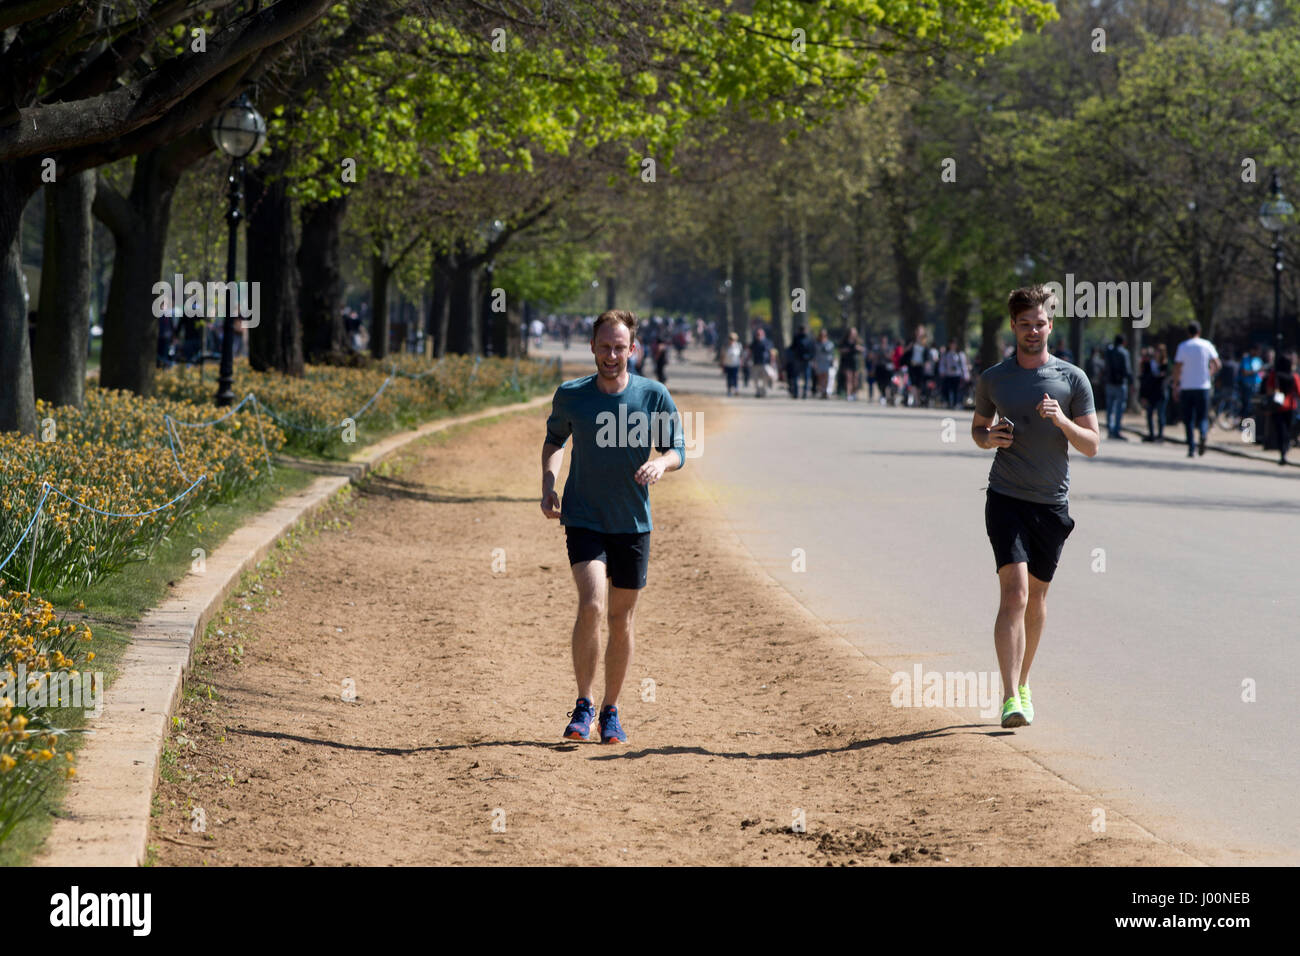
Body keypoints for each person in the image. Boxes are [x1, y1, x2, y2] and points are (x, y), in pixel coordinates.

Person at [541, 310, 686, 744]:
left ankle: (611, 710)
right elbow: (554, 440)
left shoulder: (653, 395)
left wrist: (660, 464)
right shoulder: (572, 395)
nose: (611, 354)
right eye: (604, 346)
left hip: (632, 523)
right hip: (584, 516)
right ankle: (584, 705)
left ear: (632, 349)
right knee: (592, 605)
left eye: (619, 347)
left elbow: (677, 449)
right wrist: (549, 484)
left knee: (621, 618)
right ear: (592, 347)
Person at [971, 285, 1098, 729]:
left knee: (1037, 600)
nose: (1032, 331)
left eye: (1039, 323)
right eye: (1024, 324)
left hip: (1051, 504)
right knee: (1015, 594)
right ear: (1013, 326)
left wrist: (1062, 420)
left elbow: (1093, 445)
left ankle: (1023, 683)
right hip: (1005, 498)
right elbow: (977, 430)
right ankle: (1009, 698)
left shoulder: (1072, 378)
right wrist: (991, 439)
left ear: (1050, 325)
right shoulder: (994, 378)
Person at [1171, 321, 1221, 458]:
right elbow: (1218, 364)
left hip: (1187, 387)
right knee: (1203, 417)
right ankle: (1203, 434)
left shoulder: (1183, 346)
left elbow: (1177, 367)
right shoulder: (1207, 345)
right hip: (1203, 386)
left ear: (1188, 332)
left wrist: (1176, 384)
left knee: (1189, 419)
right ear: (1199, 332)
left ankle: (1191, 447)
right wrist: (1209, 374)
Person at [1261, 355, 1300, 465]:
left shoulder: (1275, 375)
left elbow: (1269, 389)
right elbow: (1299, 392)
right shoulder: (1294, 376)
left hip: (1277, 406)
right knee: (1287, 429)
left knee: (1280, 430)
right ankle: (1286, 447)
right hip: (1291, 406)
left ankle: (1282, 451)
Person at [1103, 334, 1133, 440]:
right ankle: (1116, 430)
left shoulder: (1108, 352)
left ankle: (1110, 430)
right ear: (1123, 342)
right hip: (1120, 384)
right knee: (1119, 409)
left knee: (1110, 408)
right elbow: (1127, 369)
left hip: (1109, 383)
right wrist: (1131, 382)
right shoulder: (1124, 353)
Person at [1139, 343, 1169, 442]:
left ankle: (1160, 435)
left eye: (1160, 352)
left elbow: (1166, 378)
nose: (1157, 354)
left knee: (1160, 415)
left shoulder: (1165, 365)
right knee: (1149, 414)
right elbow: (1144, 380)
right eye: (1157, 351)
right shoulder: (1148, 364)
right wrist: (1142, 395)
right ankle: (1151, 434)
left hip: (1161, 393)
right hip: (1150, 393)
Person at [939, 339, 970, 409]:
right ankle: (947, 402)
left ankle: (955, 404)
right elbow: (942, 364)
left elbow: (963, 365)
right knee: (946, 389)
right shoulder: (946, 354)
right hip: (948, 374)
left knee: (956, 390)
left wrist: (966, 375)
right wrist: (942, 371)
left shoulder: (960, 354)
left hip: (957, 374)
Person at [750, 326, 776, 397]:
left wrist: (772, 361)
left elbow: (772, 352)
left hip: (765, 363)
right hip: (756, 363)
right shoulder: (754, 343)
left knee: (766, 378)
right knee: (756, 379)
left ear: (763, 334)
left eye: (760, 334)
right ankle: (758, 392)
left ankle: (764, 391)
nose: (758, 336)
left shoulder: (768, 342)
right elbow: (750, 352)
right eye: (757, 334)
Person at [840, 327, 864, 400]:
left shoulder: (858, 341)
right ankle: (848, 394)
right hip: (847, 361)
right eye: (851, 333)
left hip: (856, 361)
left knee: (855, 379)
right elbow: (840, 349)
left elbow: (863, 349)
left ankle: (854, 393)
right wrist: (846, 350)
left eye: (854, 333)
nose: (852, 334)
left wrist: (858, 348)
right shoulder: (845, 341)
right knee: (848, 378)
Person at [789, 325, 813, 398]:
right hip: (800, 359)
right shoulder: (801, 338)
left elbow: (792, 348)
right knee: (801, 377)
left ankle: (801, 393)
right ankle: (799, 393)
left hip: (803, 360)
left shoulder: (801, 338)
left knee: (803, 377)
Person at [812, 328, 836, 399]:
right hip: (819, 361)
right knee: (820, 377)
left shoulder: (830, 343)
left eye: (824, 335)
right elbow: (814, 354)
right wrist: (814, 362)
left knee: (826, 377)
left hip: (827, 362)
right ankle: (822, 391)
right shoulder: (816, 343)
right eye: (821, 335)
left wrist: (833, 361)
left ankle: (826, 391)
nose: (822, 336)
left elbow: (832, 354)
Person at [720, 331, 743, 396]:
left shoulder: (738, 345)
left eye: (733, 339)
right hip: (727, 364)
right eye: (730, 339)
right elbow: (722, 355)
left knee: (735, 377)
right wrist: (722, 364)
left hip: (736, 364)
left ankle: (736, 389)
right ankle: (729, 390)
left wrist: (741, 363)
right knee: (729, 378)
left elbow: (740, 356)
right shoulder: (725, 346)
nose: (731, 340)